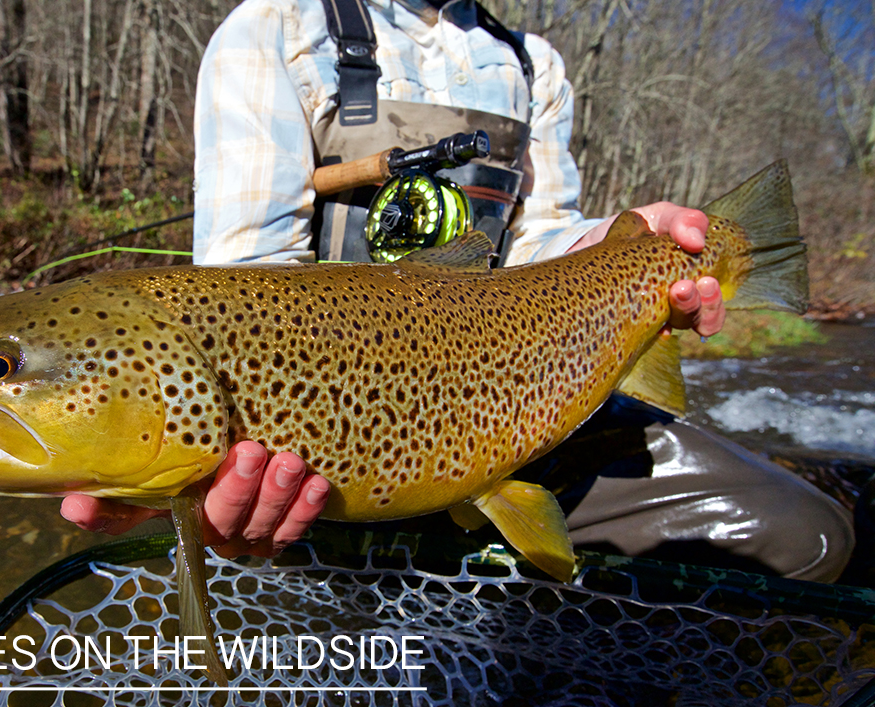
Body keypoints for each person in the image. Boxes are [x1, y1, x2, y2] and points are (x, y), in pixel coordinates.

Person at [62, 0, 854, 580]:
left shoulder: (529, 61)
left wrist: (620, 246)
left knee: (807, 539)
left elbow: (537, 240)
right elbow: (238, 288)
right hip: (327, 440)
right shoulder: (274, 29)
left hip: (517, 395)